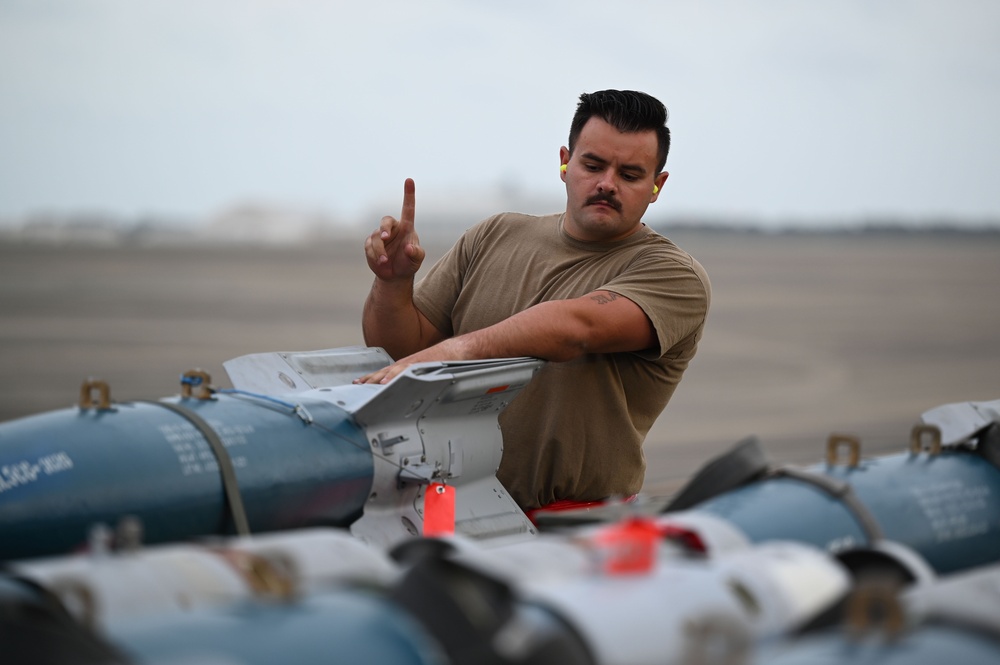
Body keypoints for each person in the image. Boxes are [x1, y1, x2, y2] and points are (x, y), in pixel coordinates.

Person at [357, 89, 710, 511]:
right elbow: (402, 352)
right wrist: (392, 284)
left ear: (657, 185)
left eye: (630, 174)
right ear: (565, 161)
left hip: (573, 527)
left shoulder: (673, 274)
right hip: (446, 507)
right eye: (592, 165)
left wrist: (456, 350)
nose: (606, 184)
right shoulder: (495, 235)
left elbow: (577, 329)